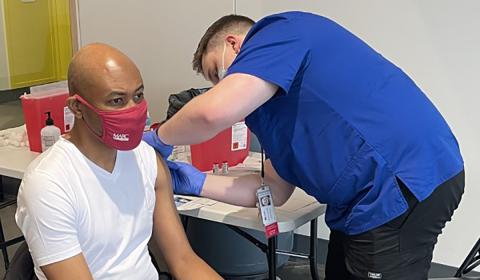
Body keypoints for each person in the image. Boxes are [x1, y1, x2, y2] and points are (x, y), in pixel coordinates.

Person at [145, 12, 465, 279]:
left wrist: (158, 136)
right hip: (364, 201)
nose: (221, 85)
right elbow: (272, 190)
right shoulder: (268, 111)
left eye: (219, 72)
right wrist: (193, 182)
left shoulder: (279, 32)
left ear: (235, 43)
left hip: (402, 184)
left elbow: (211, 112)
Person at [15, 43, 221, 280]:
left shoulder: (147, 160)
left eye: (138, 96)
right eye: (117, 101)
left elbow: (184, 261)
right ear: (77, 107)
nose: (134, 111)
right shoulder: (48, 183)